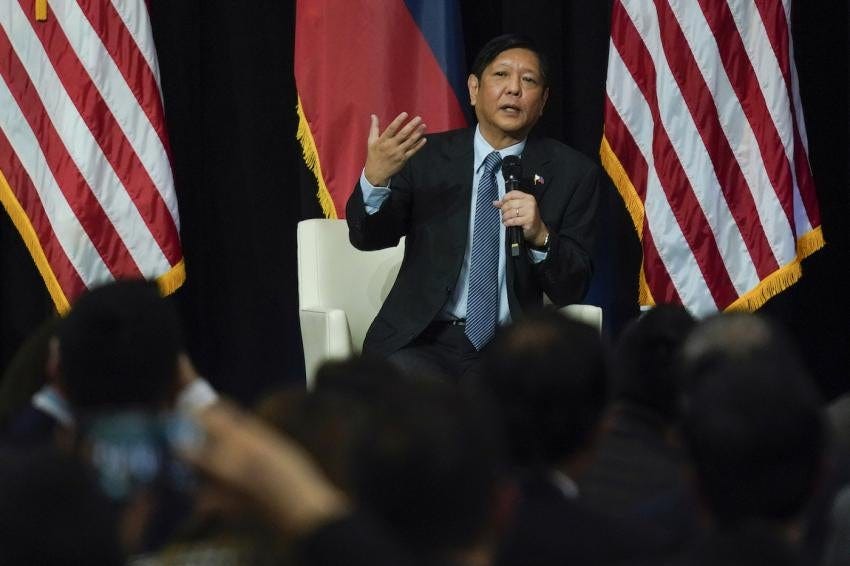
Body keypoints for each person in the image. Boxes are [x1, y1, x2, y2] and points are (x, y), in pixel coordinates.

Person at [347, 33, 600, 381]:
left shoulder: (572, 173)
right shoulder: (426, 158)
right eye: (501, 76)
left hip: (513, 349)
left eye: (528, 81)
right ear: (473, 89)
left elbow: (572, 287)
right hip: (424, 341)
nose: (514, 89)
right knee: (411, 397)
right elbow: (369, 237)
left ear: (543, 101)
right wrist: (375, 181)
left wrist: (541, 236)